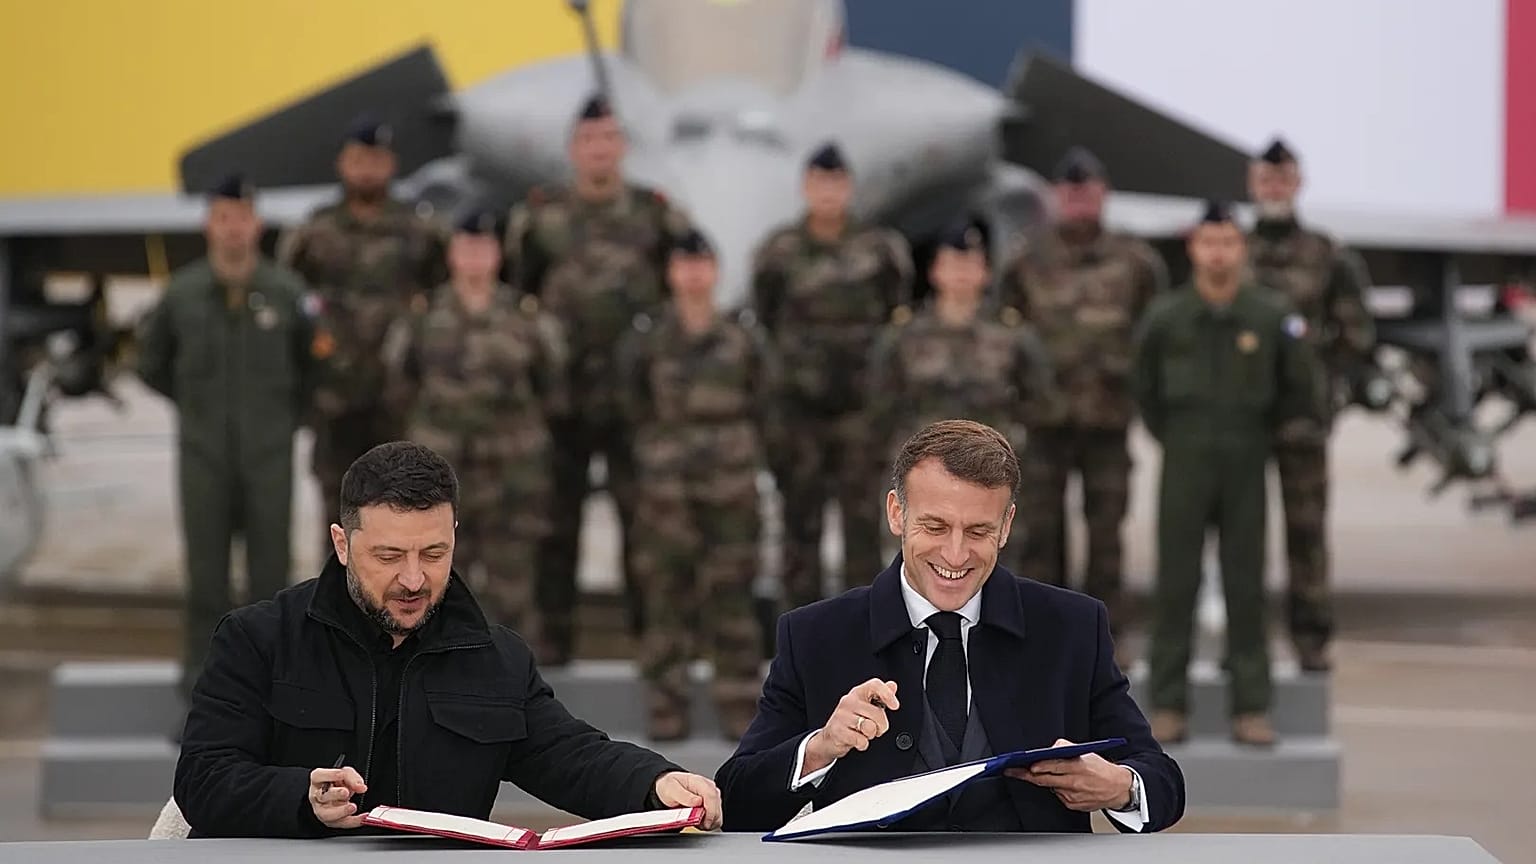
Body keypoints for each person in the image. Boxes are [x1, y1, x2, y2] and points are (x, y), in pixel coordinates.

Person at [173, 441, 723, 838]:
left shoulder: (495, 658)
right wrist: (302, 797)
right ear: (341, 544)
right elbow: (202, 778)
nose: (413, 580)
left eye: (433, 555)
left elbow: (572, 755)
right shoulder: (257, 638)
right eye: (388, 557)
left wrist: (659, 783)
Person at [715, 420, 1183, 834]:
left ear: (1007, 525)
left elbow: (1162, 782)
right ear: (896, 513)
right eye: (935, 527)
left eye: (978, 532)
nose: (955, 555)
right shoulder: (815, 635)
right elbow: (734, 800)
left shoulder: (1072, 626)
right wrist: (820, 748)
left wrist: (1119, 786)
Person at [503, 94, 691, 664]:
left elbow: (681, 290)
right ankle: (553, 644)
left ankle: (645, 644)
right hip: (561, 401)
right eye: (588, 141)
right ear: (573, 149)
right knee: (554, 524)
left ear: (623, 147)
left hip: (635, 401)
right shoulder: (541, 218)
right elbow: (516, 296)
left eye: (608, 139)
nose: (599, 150)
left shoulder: (654, 214)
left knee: (646, 524)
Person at [1133, 201, 1319, 747]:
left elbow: (1298, 388)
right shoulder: (1167, 318)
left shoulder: (1268, 315)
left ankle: (1251, 707)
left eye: (1229, 243)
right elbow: (1144, 390)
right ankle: (1168, 703)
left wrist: (1258, 437)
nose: (1218, 253)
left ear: (1242, 249)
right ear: (1193, 248)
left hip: (1246, 457)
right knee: (1175, 583)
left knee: (1246, 582)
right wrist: (1177, 435)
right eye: (1208, 242)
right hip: (1185, 459)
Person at [136, 173, 314, 715]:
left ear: (256, 224)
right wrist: (199, 412)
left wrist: (279, 422)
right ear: (208, 225)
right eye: (223, 219)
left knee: (270, 580)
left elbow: (312, 370)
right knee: (206, 580)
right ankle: (204, 699)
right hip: (204, 458)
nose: (233, 230)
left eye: (242, 219)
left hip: (268, 458)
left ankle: (274, 696)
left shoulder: (286, 293)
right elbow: (151, 365)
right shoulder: (183, 294)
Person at [998, 147, 1168, 639]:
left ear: (1103, 196)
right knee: (1039, 534)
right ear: (1056, 197)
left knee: (1106, 534)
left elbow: (1153, 335)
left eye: (1086, 192)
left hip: (1107, 422)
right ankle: (1041, 639)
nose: (1077, 201)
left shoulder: (1135, 263)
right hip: (1043, 425)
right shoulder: (1026, 260)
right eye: (1069, 193)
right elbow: (1004, 336)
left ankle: (1102, 639)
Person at [617, 228, 780, 742]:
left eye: (701, 263)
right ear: (670, 272)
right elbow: (630, 402)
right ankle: (666, 705)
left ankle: (738, 702)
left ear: (715, 271)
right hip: (666, 491)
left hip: (729, 488)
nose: (692, 274)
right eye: (683, 263)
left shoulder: (742, 336)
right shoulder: (647, 338)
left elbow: (765, 399)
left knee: (731, 595)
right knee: (666, 596)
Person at [384, 209, 567, 640]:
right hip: (442, 481)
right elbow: (398, 387)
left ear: (498, 254)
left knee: (513, 594)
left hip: (512, 480)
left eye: (484, 247)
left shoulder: (527, 318)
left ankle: (511, 694)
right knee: (436, 586)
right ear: (451, 254)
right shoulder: (423, 316)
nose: (475, 257)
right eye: (466, 247)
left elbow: (553, 388)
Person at [752, 142, 915, 609]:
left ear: (849, 187)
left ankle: (863, 631)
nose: (828, 192)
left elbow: (893, 317)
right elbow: (767, 320)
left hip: (860, 415)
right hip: (799, 415)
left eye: (836, 182)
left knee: (863, 526)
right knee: (800, 527)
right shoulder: (780, 252)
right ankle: (803, 636)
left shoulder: (879, 249)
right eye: (819, 183)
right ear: (806, 187)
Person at [278, 115, 449, 555]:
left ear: (391, 165)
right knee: (339, 519)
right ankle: (335, 618)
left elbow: (443, 303)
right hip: (336, 401)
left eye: (376, 160)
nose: (367, 169)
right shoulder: (316, 230)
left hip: (399, 403)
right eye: (358, 159)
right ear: (342, 164)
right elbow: (289, 304)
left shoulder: (421, 230)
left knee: (405, 513)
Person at [1246, 138, 1375, 673]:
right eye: (1266, 180)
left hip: (1301, 421)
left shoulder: (1326, 253)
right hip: (1242, 421)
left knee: (1306, 531)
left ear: (1297, 184)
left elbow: (1357, 333)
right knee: (1240, 534)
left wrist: (1319, 383)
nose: (1275, 188)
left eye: (1283, 179)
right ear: (1253, 185)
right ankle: (1244, 640)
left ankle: (1311, 636)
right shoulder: (1233, 250)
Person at [866, 218, 1055, 572]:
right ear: (935, 271)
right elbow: (879, 405)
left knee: (992, 570)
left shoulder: (1011, 334)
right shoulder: (903, 335)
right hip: (920, 472)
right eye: (953, 263)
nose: (962, 274)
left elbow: (1041, 402)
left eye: (971, 264)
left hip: (991, 474)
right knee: (915, 567)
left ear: (985, 272)